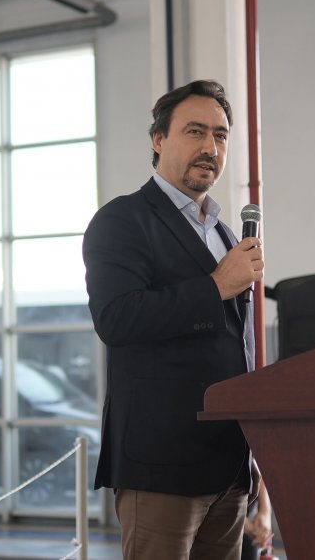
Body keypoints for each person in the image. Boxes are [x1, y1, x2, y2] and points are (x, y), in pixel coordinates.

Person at [82, 79, 265, 560]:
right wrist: (215, 286)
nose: (210, 147)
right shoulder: (122, 221)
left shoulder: (226, 234)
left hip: (229, 466)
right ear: (159, 139)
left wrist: (253, 456)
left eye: (221, 135)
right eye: (195, 131)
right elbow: (116, 319)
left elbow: (238, 348)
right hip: (161, 466)